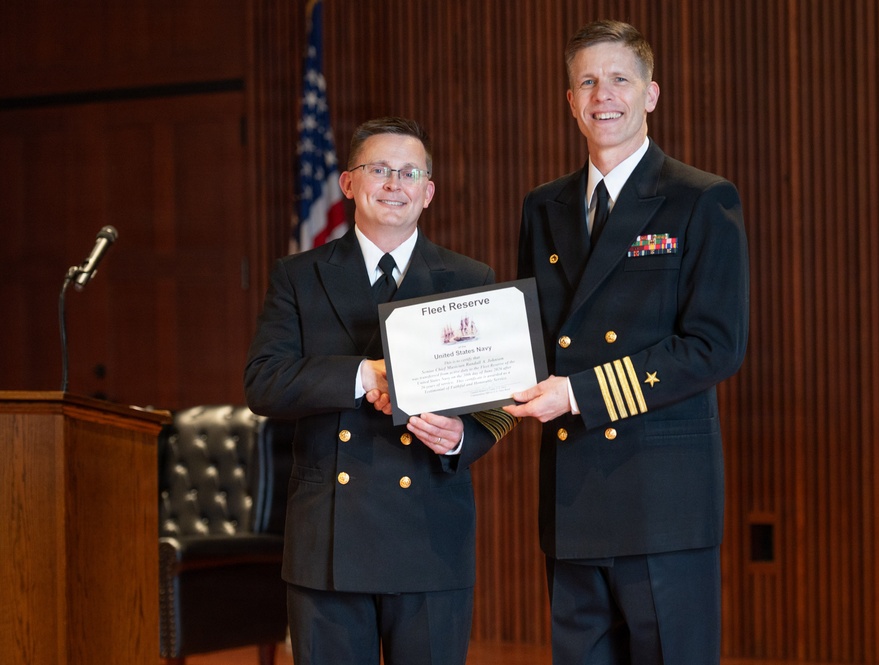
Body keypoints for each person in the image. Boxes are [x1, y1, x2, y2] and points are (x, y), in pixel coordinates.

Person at [504, 20, 749, 665]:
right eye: (586, 81)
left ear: (651, 94)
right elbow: (527, 340)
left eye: (619, 79)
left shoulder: (701, 200)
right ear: (570, 101)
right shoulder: (543, 207)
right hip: (572, 497)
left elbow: (713, 347)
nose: (602, 94)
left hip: (661, 501)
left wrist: (580, 393)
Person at [245, 116, 517, 665]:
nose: (395, 183)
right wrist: (365, 376)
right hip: (329, 542)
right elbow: (263, 382)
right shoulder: (298, 276)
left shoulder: (469, 278)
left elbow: (499, 401)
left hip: (430, 536)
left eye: (409, 172)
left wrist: (462, 437)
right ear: (348, 183)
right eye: (380, 169)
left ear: (428, 192)